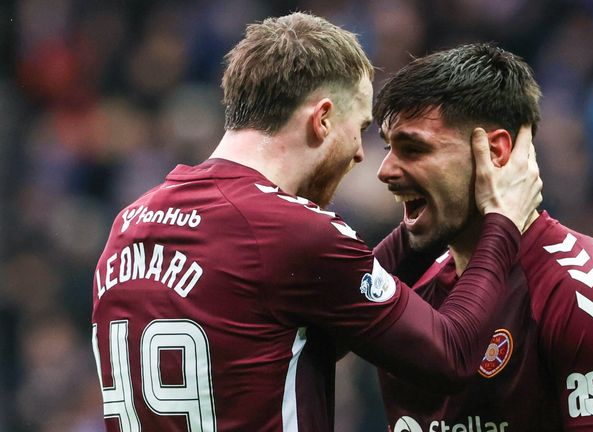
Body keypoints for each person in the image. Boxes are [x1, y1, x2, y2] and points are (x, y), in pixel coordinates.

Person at [90, 14, 543, 432]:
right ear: (323, 118)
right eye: (360, 128)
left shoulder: (131, 222)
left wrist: (422, 227)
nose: (362, 154)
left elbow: (309, 322)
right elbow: (452, 354)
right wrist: (501, 219)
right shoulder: (288, 229)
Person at [373, 43, 593, 432]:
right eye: (389, 148)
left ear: (496, 152)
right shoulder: (411, 290)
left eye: (413, 148)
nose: (385, 170)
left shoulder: (587, 297)